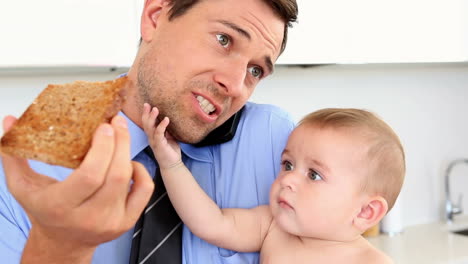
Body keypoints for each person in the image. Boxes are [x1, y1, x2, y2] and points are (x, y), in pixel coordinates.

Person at [0, 0, 298, 263]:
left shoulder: (281, 147)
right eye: (223, 39)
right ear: (155, 17)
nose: (235, 84)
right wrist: (60, 247)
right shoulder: (23, 167)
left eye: (255, 70)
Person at [143, 106, 405, 264]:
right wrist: (171, 164)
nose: (288, 179)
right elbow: (211, 223)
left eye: (314, 175)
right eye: (288, 164)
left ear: (365, 213)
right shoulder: (272, 225)